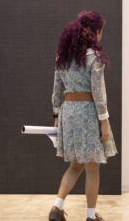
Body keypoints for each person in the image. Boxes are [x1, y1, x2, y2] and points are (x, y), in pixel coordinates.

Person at [48, 11, 117, 221]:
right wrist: (104, 123)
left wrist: (56, 115)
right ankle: (90, 216)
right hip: (88, 113)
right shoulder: (93, 58)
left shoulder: (63, 57)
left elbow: (56, 90)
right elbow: (99, 94)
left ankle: (56, 208)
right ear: (95, 32)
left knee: (75, 164)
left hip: (68, 113)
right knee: (92, 168)